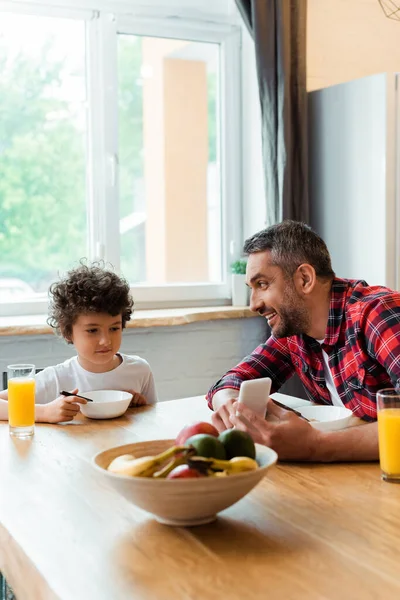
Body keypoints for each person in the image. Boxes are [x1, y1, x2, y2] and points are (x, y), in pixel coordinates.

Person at [207, 220, 400, 462]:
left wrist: (315, 445)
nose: (253, 304)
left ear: (305, 279)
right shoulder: (295, 333)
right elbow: (233, 380)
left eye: (263, 284)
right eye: (251, 288)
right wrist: (228, 406)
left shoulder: (377, 313)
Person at [0, 263, 157, 423]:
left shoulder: (139, 371)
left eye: (114, 328)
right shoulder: (56, 378)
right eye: (92, 330)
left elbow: (152, 423)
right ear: (68, 332)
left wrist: (141, 410)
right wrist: (45, 412)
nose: (106, 341)